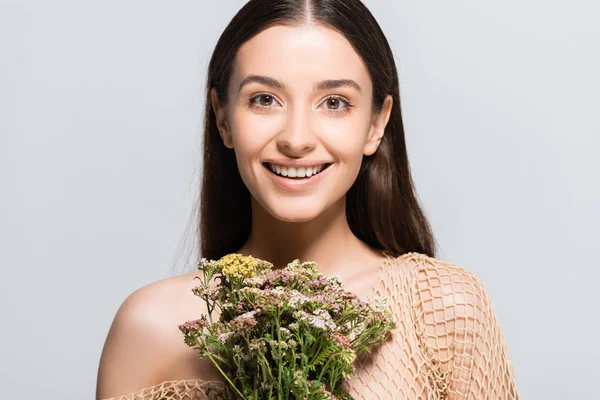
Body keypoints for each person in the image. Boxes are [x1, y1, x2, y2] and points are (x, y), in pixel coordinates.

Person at [96, 0, 520, 398]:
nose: (296, 140)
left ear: (377, 123)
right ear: (223, 118)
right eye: (264, 100)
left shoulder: (444, 310)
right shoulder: (150, 327)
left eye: (334, 103)